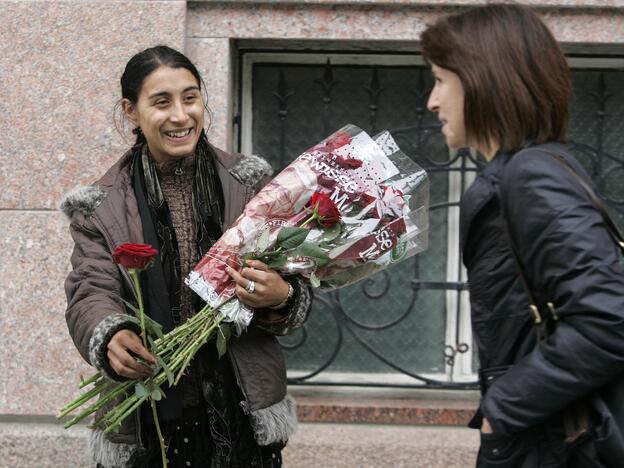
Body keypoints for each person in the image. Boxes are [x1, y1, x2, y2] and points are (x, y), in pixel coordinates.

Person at [61, 45, 312, 468]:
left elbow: (296, 281)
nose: (181, 115)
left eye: (190, 98)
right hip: (148, 419)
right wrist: (113, 336)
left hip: (243, 413)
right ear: (131, 111)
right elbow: (90, 289)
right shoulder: (99, 208)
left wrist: (281, 294)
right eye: (161, 102)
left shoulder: (251, 187)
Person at [422, 4, 624, 468]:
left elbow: (609, 320)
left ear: (481, 79)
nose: (432, 102)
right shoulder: (530, 168)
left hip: (551, 441)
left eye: (439, 80)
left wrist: (504, 408)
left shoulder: (532, 175)